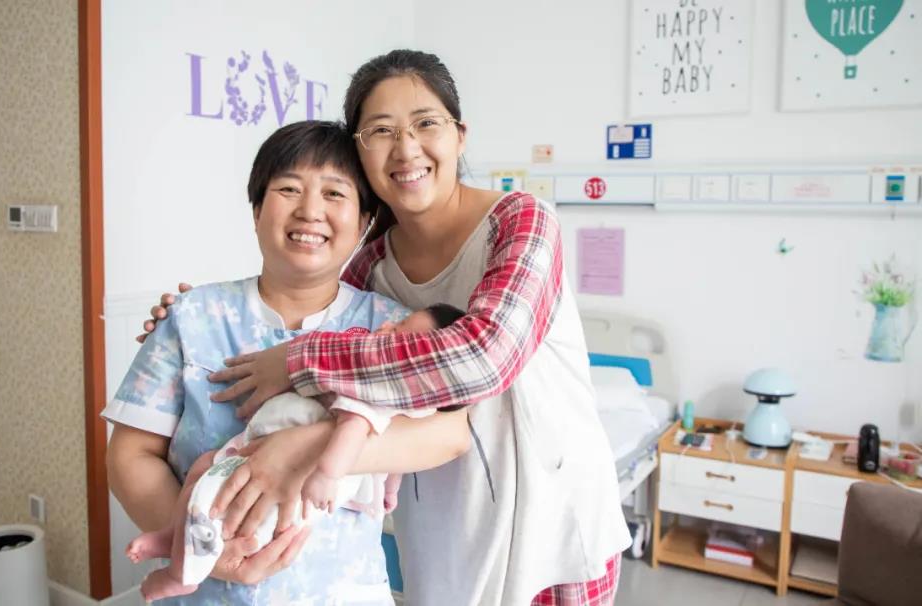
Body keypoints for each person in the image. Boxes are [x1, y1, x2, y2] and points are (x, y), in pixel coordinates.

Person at [145, 49, 630, 605]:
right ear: (360, 151)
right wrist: (191, 318)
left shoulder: (521, 223)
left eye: (426, 123)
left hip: (553, 521)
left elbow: (483, 359)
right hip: (449, 524)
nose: (406, 148)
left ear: (460, 136)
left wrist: (300, 365)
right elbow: (305, 311)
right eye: (380, 130)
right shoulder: (370, 269)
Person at [106, 120, 472, 605]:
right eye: (288, 189)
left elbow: (450, 435)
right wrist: (206, 553)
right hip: (205, 591)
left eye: (335, 193)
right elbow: (130, 455)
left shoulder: (392, 329)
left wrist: (302, 448)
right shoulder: (192, 317)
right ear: (257, 209)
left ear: (365, 221)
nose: (310, 211)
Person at [124, 305, 467, 602]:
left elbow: (355, 427)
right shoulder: (189, 314)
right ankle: (174, 536)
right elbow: (397, 458)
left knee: (216, 504)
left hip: (300, 479)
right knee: (205, 479)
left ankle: (180, 575)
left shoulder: (378, 386)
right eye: (398, 323)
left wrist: (325, 474)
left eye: (399, 332)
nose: (388, 326)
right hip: (263, 450)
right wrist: (389, 489)